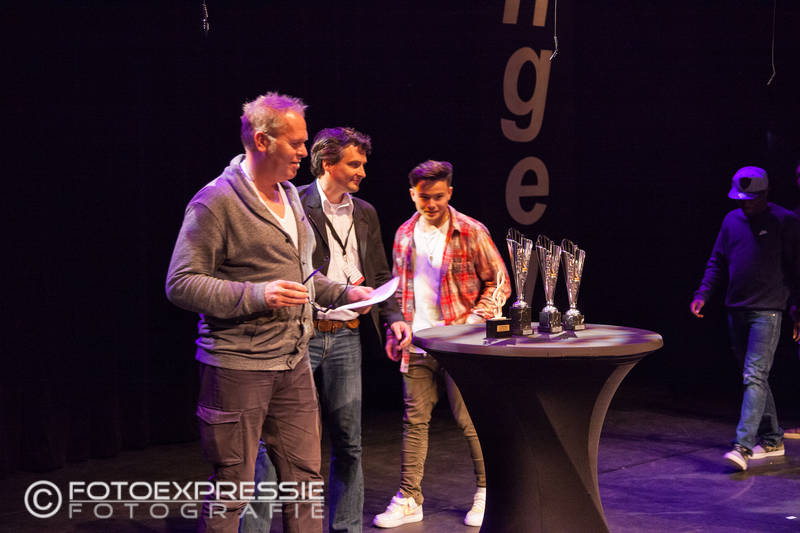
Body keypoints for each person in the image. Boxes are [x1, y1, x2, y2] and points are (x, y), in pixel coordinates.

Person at [165, 92, 373, 533]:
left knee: (305, 482)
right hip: (238, 367)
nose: (304, 152)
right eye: (295, 143)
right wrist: (257, 294)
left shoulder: (290, 195)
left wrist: (345, 293)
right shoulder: (215, 202)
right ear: (262, 140)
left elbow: (301, 276)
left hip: (293, 362)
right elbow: (181, 283)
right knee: (233, 488)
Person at [242, 127, 412, 533]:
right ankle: (255, 528)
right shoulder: (293, 202)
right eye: (355, 164)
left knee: (348, 440)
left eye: (363, 164)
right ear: (328, 164)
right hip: (301, 333)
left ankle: (347, 527)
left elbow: (378, 273)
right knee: (274, 441)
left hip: (347, 334)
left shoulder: (365, 212)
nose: (362, 172)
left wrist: (393, 318)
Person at [372, 160, 510, 528]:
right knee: (414, 421)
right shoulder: (404, 233)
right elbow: (397, 288)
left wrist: (472, 322)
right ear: (412, 194)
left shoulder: (470, 231)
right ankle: (409, 498)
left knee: (470, 419)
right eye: (423, 197)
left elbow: (499, 282)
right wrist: (394, 330)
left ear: (449, 192)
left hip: (460, 344)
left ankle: (487, 492)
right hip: (418, 341)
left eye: (437, 196)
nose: (431, 204)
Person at [690, 165, 800, 471]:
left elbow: (797, 269)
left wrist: (797, 309)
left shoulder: (785, 221)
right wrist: (703, 293)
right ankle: (773, 440)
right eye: (742, 199)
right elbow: (717, 260)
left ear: (765, 194)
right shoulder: (731, 221)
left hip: (768, 311)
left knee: (754, 376)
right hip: (736, 308)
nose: (746, 204)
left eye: (752, 199)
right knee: (755, 377)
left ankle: (743, 446)